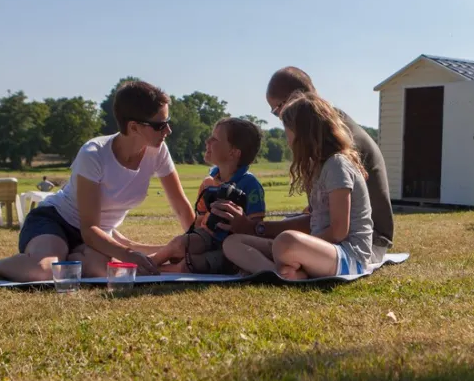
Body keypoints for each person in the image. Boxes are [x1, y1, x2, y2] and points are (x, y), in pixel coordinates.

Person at [0, 80, 196, 281]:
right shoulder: (94, 154)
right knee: (43, 271)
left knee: (106, 270)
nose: (168, 130)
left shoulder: (158, 151)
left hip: (100, 235)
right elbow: (88, 229)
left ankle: (79, 257)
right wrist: (129, 252)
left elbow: (181, 208)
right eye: (160, 125)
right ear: (134, 127)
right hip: (56, 222)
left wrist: (199, 242)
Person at [211, 66, 394, 264]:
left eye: (277, 111)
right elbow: (317, 216)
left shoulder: (335, 150)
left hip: (361, 245)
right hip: (338, 240)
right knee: (271, 238)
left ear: (294, 103)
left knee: (284, 241)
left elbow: (335, 227)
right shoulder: (331, 129)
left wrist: (257, 228)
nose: (281, 120)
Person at [222, 91, 373, 279]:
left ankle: (286, 268)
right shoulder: (318, 167)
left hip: (348, 256)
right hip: (315, 250)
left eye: (288, 132)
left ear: (304, 133)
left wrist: (301, 246)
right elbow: (313, 221)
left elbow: (339, 230)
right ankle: (279, 273)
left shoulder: (337, 165)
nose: (287, 141)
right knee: (233, 243)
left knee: (286, 242)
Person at [150, 117, 266, 274]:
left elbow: (256, 230)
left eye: (215, 139)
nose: (207, 141)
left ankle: (149, 271)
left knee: (187, 265)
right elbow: (200, 218)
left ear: (233, 153)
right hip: (207, 238)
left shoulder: (250, 185)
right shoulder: (212, 177)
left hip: (230, 249)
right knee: (178, 244)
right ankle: (147, 263)